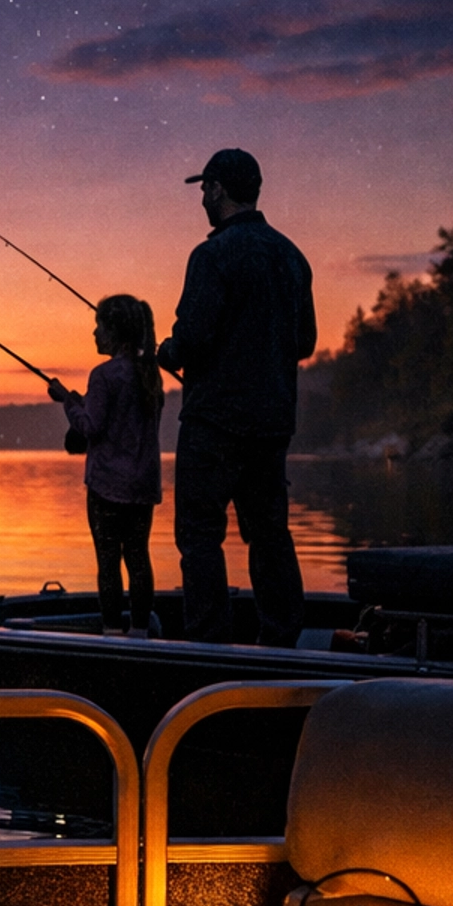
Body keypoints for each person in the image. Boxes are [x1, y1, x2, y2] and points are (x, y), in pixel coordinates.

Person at [156, 148, 316, 646]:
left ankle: (208, 644)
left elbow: (195, 337)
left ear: (219, 189)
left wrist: (168, 351)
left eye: (205, 188)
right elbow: (305, 342)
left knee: (200, 534)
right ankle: (283, 640)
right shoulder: (292, 256)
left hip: (214, 423)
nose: (202, 197)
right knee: (269, 534)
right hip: (271, 424)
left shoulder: (211, 255)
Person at [47, 293, 164, 636]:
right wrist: (81, 404)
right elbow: (123, 423)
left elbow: (91, 427)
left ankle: (113, 633)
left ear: (114, 331)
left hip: (107, 487)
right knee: (139, 558)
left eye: (98, 326)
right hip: (143, 486)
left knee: (109, 561)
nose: (94, 334)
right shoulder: (150, 375)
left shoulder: (104, 375)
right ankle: (141, 633)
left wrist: (66, 402)